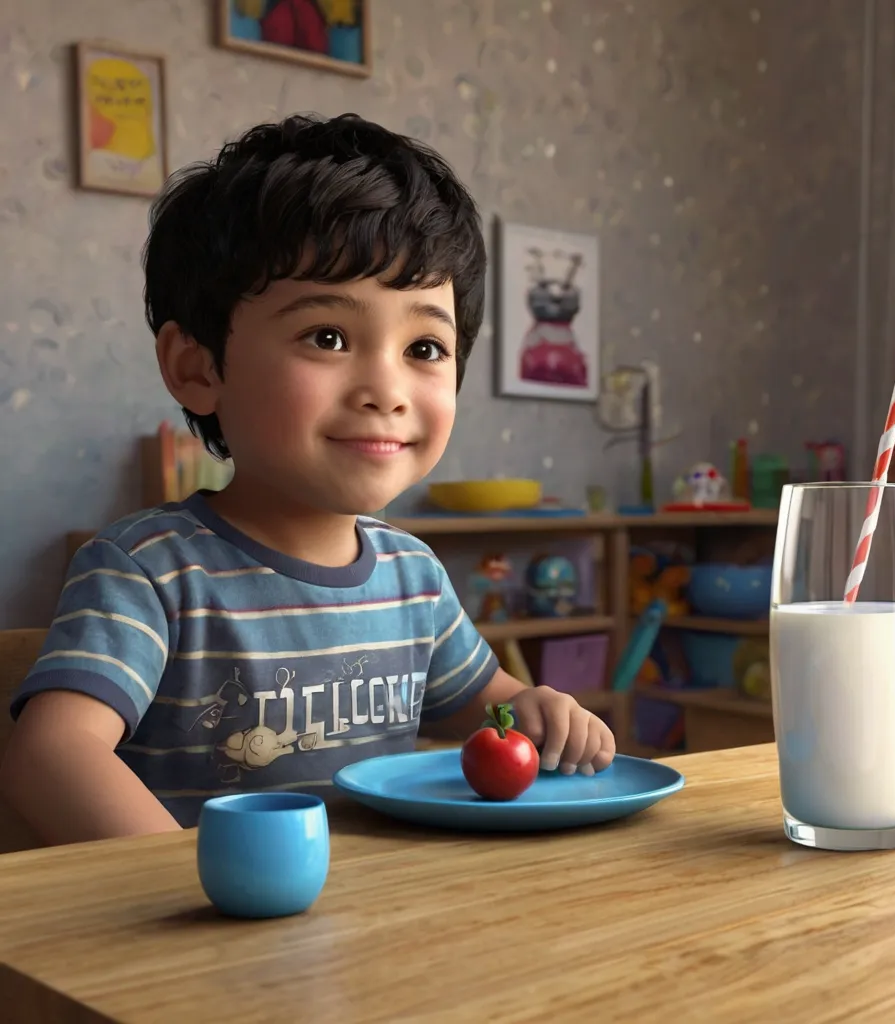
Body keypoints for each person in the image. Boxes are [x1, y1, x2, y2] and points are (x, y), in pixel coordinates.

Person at [0, 114, 616, 844]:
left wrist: (540, 709)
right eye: (327, 337)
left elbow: (486, 705)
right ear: (198, 368)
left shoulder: (412, 576)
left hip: (368, 929)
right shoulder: (150, 573)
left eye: (424, 346)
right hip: (202, 938)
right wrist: (198, 877)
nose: (385, 388)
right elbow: (51, 755)